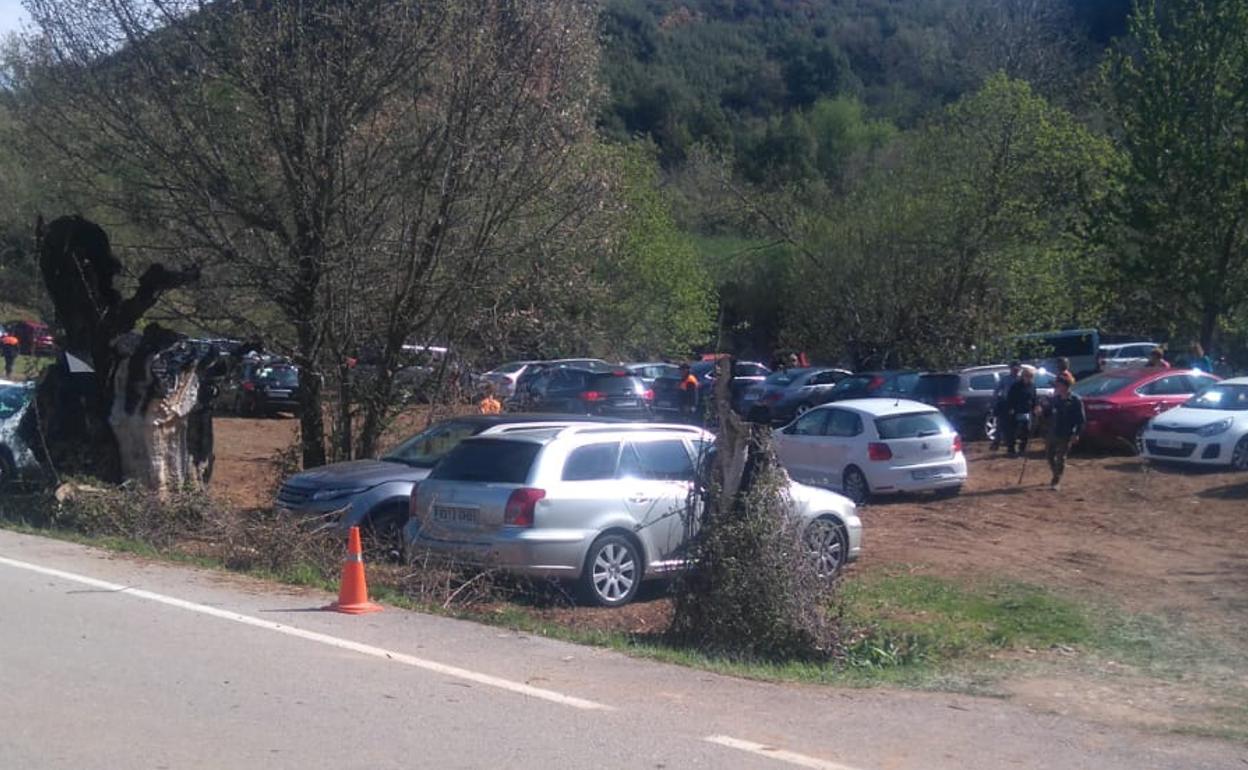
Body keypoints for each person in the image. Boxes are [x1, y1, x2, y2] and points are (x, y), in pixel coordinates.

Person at [1040, 372, 1085, 490]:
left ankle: (1056, 479)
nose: (1056, 388)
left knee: (1061, 457)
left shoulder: (1075, 400)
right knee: (1049, 455)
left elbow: (1080, 420)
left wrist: (1076, 434)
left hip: (1066, 433)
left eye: (1058, 385)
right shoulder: (1055, 399)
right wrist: (1041, 410)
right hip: (1053, 431)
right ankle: (1056, 473)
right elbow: (1047, 413)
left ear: (1065, 386)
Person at [1005, 365, 1037, 457]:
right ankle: (1011, 449)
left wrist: (1035, 407)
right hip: (1016, 411)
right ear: (1023, 376)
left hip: (1027, 411)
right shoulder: (1016, 386)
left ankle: (1022, 449)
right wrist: (1010, 408)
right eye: (1027, 376)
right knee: (1013, 432)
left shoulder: (1032, 386)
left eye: (1031, 376)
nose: (1029, 378)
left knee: (1025, 432)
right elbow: (1010, 398)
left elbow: (1034, 398)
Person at [990, 361, 1021, 451]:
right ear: (1010, 369)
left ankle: (1011, 443)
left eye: (1017, 368)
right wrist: (996, 401)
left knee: (1015, 425)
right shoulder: (1005, 379)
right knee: (1001, 424)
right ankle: (996, 442)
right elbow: (996, 390)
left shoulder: (1020, 379)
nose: (1015, 370)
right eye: (1013, 368)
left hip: (1017, 404)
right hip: (1005, 403)